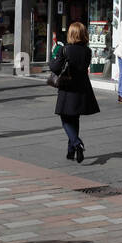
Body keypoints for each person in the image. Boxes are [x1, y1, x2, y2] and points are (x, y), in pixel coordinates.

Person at [50, 20, 99, 162]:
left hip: (67, 88)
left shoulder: (64, 49)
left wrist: (53, 59)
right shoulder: (87, 51)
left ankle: (77, 144)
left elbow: (55, 67)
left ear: (71, 34)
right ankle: (71, 151)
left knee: (65, 118)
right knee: (75, 118)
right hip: (82, 87)